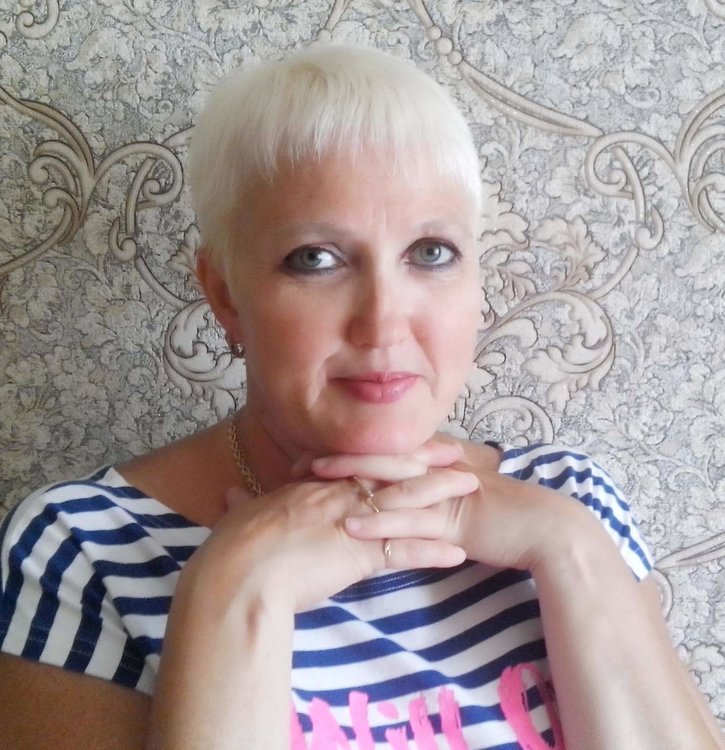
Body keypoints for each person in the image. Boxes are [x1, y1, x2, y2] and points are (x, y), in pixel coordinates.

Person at [0, 44, 721, 750]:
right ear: (224, 294)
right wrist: (235, 588)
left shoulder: (569, 500)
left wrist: (569, 550)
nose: (383, 323)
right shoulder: (82, 549)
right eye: (316, 259)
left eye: (431, 252)